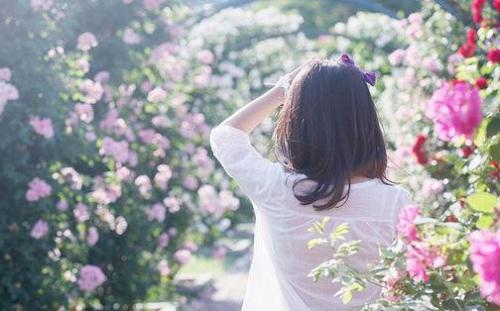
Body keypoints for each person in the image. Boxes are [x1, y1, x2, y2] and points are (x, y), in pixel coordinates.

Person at [209, 55, 412, 310]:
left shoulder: (276, 190)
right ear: (365, 120)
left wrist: (281, 90)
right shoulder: (395, 202)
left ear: (296, 120)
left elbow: (225, 137)